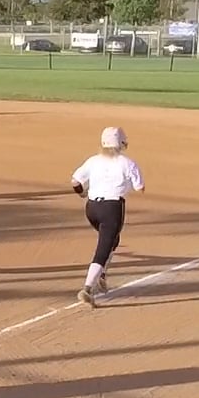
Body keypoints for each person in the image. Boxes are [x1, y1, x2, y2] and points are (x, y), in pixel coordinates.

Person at [70, 126, 145, 308]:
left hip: (92, 209)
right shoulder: (127, 163)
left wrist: (82, 193)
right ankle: (87, 289)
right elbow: (140, 187)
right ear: (122, 143)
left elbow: (75, 181)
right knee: (103, 249)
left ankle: (101, 273)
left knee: (113, 240)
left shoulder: (93, 160)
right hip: (112, 209)